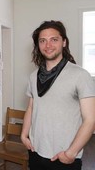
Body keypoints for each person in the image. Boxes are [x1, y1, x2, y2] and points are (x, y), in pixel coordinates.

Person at [21, 20, 95, 170]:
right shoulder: (34, 76)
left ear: (64, 42)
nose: (48, 45)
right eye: (43, 41)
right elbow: (31, 107)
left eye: (54, 39)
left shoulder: (80, 75)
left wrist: (71, 153)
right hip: (36, 151)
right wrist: (23, 135)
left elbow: (90, 119)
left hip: (64, 156)